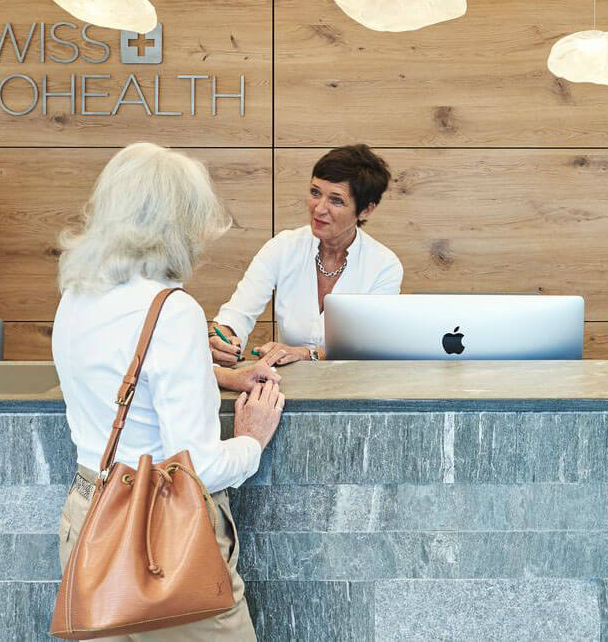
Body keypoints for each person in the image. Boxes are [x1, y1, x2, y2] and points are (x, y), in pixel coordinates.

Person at [52, 142, 285, 640]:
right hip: (163, 541)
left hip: (88, 518)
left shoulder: (75, 296)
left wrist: (210, 371)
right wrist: (251, 440)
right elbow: (196, 466)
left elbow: (122, 376)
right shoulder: (172, 310)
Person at [210, 144, 402, 366]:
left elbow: (370, 345)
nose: (319, 209)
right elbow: (236, 314)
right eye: (315, 193)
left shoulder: (384, 265)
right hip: (290, 390)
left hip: (356, 390)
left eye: (336, 200)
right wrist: (221, 337)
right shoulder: (283, 246)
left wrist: (305, 354)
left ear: (367, 210)